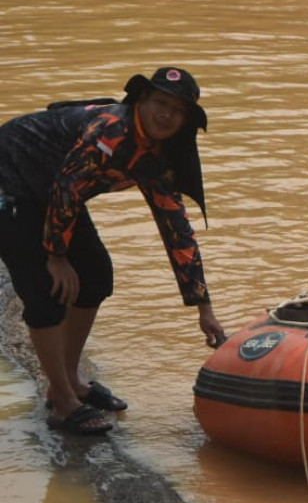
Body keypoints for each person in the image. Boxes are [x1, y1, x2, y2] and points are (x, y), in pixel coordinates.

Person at [0, 67, 226, 436]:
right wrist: (56, 257)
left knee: (96, 276)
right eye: (159, 103)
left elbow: (176, 230)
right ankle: (61, 401)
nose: (165, 115)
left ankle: (72, 380)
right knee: (45, 291)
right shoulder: (110, 130)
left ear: (185, 120)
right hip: (11, 182)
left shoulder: (159, 156)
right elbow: (68, 188)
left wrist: (204, 307)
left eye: (176, 110)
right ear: (140, 101)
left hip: (51, 190)